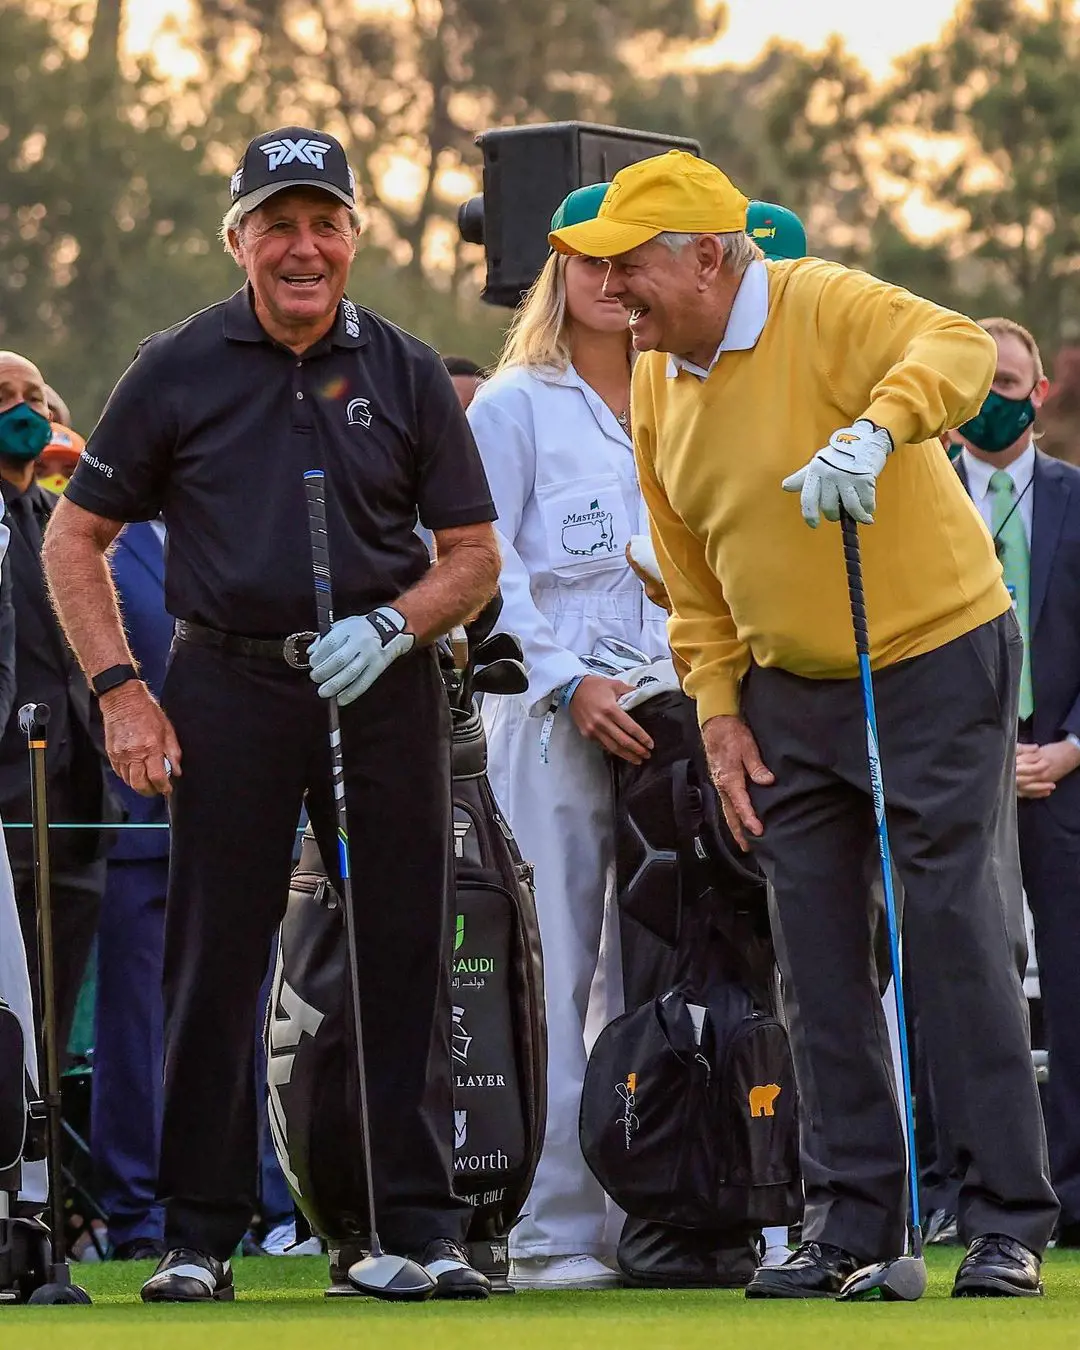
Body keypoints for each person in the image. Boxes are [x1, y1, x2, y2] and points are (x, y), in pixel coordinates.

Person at [550, 150, 1059, 1299]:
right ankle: (853, 1222)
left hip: (933, 649)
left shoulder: (821, 299)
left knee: (952, 924)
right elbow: (691, 579)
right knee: (814, 951)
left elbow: (960, 351)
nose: (614, 287)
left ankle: (1002, 1219)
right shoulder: (659, 385)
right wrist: (720, 714)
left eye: (630, 264)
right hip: (784, 684)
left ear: (709, 256)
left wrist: (877, 432)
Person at [43, 125, 501, 1303]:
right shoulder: (177, 364)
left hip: (379, 681)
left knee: (403, 949)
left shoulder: (400, 368)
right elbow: (75, 536)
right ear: (240, 238)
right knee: (215, 960)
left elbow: (472, 554)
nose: (304, 247)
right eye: (279, 224)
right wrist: (120, 691)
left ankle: (412, 1226)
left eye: (325, 223)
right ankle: (200, 1234)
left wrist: (400, 624)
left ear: (352, 237)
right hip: (228, 682)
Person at [466, 182, 667, 1290]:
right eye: (585, 260)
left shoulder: (686, 390)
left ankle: (667, 1206)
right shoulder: (514, 404)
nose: (606, 280)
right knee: (554, 963)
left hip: (676, 716)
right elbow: (482, 561)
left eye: (625, 259)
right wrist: (568, 680)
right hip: (548, 719)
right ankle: (548, 1230)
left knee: (661, 968)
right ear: (558, 271)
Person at [953, 318, 1080, 1249]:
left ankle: (1069, 1191)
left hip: (1065, 772)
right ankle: (964, 1185)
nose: (996, 395)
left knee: (1070, 988)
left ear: (1040, 392)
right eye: (980, 380)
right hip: (956, 771)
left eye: (1011, 380)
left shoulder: (1077, 500)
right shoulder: (917, 497)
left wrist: (1069, 748)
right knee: (965, 977)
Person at [0, 352, 119, 1056]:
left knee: (53, 1015)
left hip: (76, 808)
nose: (23, 408)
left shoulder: (67, 525)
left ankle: (44, 1162)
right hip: (6, 800)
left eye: (34, 395)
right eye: (5, 395)